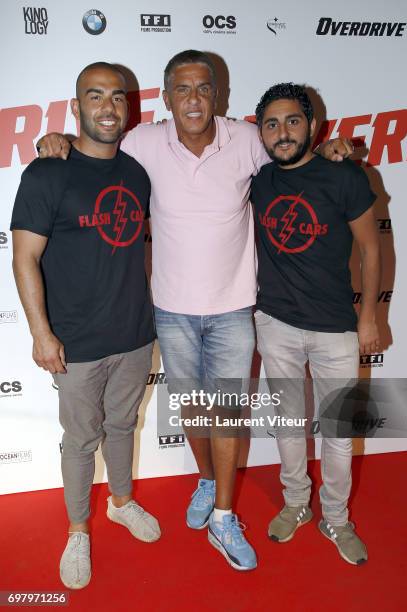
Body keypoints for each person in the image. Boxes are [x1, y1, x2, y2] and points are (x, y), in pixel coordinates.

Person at [36, 50, 353, 571]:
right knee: (195, 413)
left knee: (225, 416)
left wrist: (334, 148)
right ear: (165, 98)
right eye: (181, 89)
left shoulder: (247, 139)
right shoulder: (142, 142)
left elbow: (292, 155)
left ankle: (225, 519)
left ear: (217, 95)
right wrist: (62, 141)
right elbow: (99, 143)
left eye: (202, 88)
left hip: (233, 310)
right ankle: (207, 481)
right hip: (171, 312)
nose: (193, 99)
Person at [11, 62, 159, 590]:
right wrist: (41, 333)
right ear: (77, 108)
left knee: (122, 427)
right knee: (80, 440)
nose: (107, 107)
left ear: (128, 108)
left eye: (117, 98)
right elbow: (24, 258)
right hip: (75, 342)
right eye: (94, 97)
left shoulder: (138, 173)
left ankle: (121, 503)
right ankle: (78, 530)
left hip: (136, 334)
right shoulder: (48, 172)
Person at [251, 83, 381, 565]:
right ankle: (294, 504)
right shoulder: (258, 179)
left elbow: (371, 249)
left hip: (336, 328)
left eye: (292, 122)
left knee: (339, 432)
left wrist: (368, 316)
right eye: (271, 124)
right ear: (260, 131)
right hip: (276, 323)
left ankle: (337, 519)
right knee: (287, 425)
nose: (282, 133)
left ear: (313, 126)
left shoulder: (344, 177)